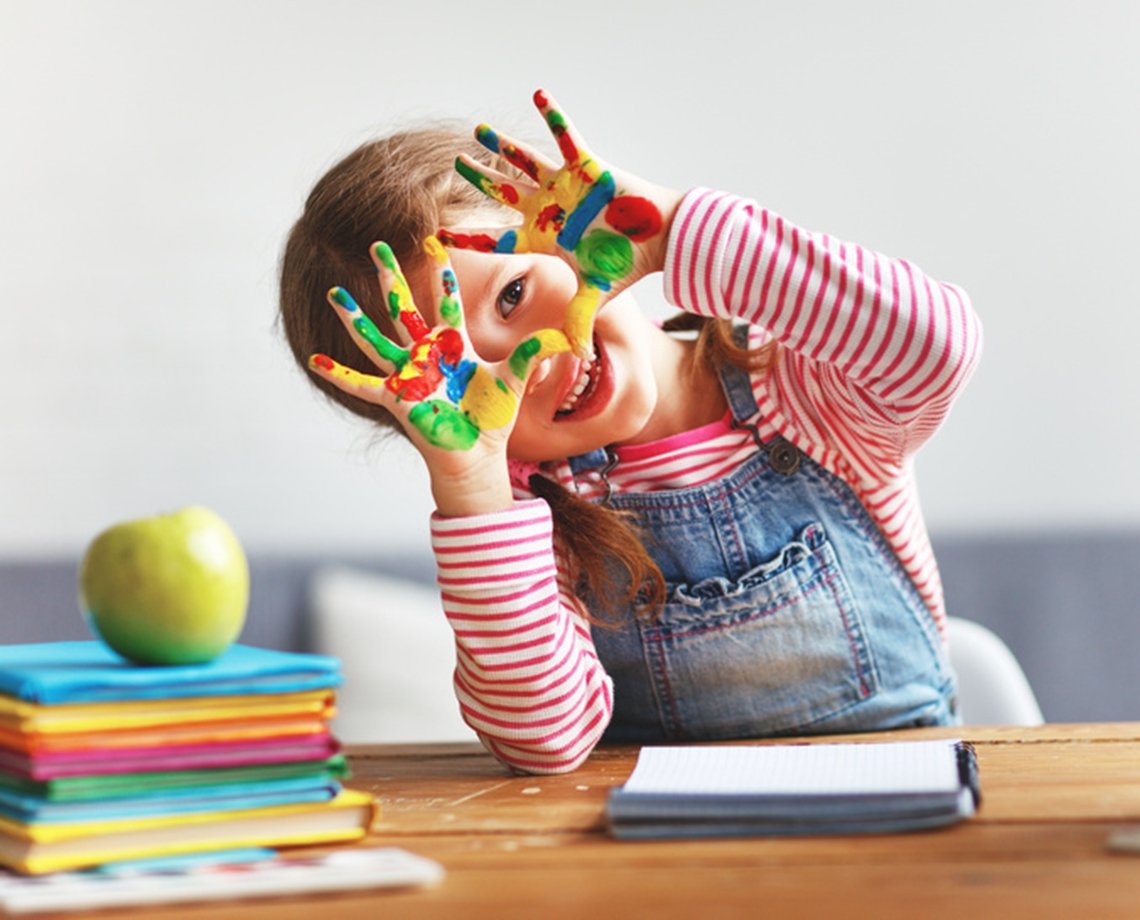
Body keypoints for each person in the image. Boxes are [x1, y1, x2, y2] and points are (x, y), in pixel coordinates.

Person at [279, 90, 982, 775]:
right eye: (459, 377)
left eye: (513, 294)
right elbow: (544, 742)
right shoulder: (529, 516)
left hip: (906, 800)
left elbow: (934, 346)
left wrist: (670, 229)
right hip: (666, 857)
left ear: (574, 232)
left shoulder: (802, 389)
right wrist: (473, 487)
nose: (530, 361)